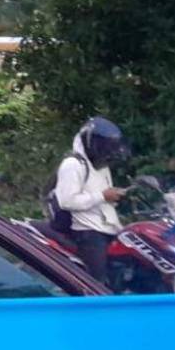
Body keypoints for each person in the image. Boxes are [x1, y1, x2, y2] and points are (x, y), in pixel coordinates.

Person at [53, 116, 128, 284]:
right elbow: (67, 201)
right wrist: (102, 196)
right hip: (88, 232)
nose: (108, 152)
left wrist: (117, 196)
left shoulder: (102, 166)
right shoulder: (73, 164)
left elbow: (104, 196)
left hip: (109, 229)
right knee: (98, 283)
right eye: (105, 147)